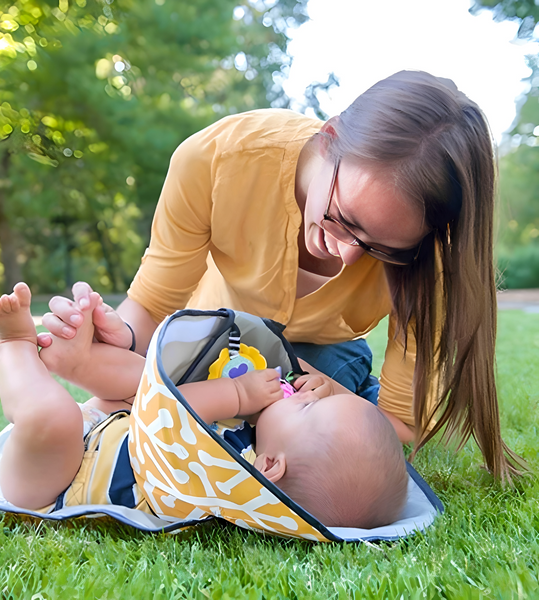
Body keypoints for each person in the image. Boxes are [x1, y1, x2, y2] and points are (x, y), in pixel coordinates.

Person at [38, 70, 522, 480]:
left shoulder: (432, 258)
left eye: (382, 250)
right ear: (330, 138)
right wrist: (114, 336)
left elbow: (401, 427)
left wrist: (334, 398)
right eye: (343, 218)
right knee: (157, 395)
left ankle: (349, 388)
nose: (349, 257)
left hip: (321, 362)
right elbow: (151, 306)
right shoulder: (215, 160)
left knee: (305, 450)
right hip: (205, 341)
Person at [0, 283, 408, 528]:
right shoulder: (254, 440)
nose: (308, 393)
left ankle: (15, 346)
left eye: (309, 407)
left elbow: (166, 410)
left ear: (271, 467)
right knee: (146, 378)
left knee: (53, 417)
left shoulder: (227, 485)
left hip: (54, 482)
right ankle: (80, 363)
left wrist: (238, 395)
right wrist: (314, 391)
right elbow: (153, 392)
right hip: (107, 432)